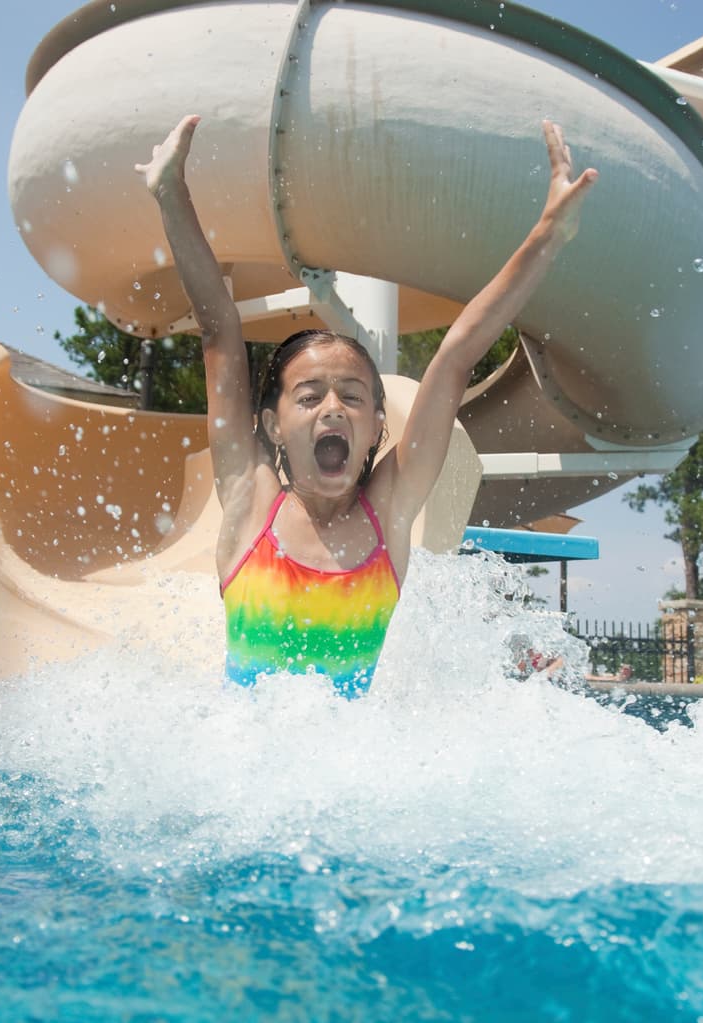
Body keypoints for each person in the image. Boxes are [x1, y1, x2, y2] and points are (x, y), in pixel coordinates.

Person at [137, 115, 597, 695]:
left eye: (352, 396)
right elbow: (217, 330)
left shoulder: (391, 508)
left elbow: (456, 356)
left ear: (378, 423)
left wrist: (548, 235)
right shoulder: (247, 498)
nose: (332, 407)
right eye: (308, 396)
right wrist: (171, 195)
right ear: (273, 427)